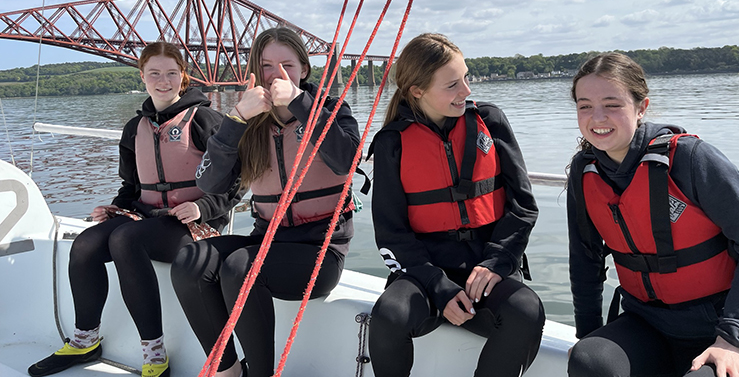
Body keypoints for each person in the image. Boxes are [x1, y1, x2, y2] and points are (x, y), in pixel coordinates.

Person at [27, 42, 243, 377]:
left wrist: (204, 206)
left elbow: (237, 180)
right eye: (154, 73)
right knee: (85, 244)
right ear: (142, 75)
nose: (163, 80)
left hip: (195, 226)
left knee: (127, 240)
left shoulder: (205, 120)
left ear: (183, 77)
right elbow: (132, 187)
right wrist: (116, 208)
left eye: (171, 73)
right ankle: (86, 340)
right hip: (145, 219)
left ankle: (154, 354)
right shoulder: (134, 127)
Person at [170, 27, 360, 377]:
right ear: (256, 71)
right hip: (267, 241)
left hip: (321, 250)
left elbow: (347, 160)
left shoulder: (331, 109)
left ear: (303, 68)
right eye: (268, 66)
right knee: (189, 260)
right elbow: (210, 182)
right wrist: (237, 119)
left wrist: (301, 104)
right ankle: (227, 371)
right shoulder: (249, 123)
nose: (278, 76)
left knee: (240, 267)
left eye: (287, 65)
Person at [367, 33, 545, 377]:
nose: (466, 90)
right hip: (424, 275)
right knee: (388, 315)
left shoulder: (489, 122)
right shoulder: (392, 143)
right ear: (417, 91)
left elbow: (523, 206)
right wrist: (438, 285)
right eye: (452, 85)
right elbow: (391, 233)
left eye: (466, 77)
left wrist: (497, 261)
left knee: (526, 311)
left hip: (486, 270)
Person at [567, 52, 739, 377]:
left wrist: (732, 337)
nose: (597, 117)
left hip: (718, 324)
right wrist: (588, 332)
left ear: (641, 107)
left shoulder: (689, 159)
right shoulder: (584, 171)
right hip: (646, 321)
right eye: (585, 105)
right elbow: (585, 261)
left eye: (612, 104)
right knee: (590, 360)